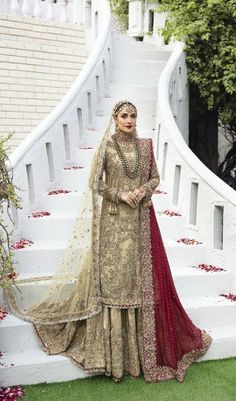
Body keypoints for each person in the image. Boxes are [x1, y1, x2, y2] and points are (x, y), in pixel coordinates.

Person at [7, 100, 212, 383]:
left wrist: (141, 190)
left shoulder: (145, 146)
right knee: (115, 282)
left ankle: (138, 358)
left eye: (133, 116)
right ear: (115, 119)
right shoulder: (107, 146)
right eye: (124, 116)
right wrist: (119, 195)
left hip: (140, 221)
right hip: (114, 222)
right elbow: (96, 184)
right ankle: (113, 360)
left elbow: (155, 178)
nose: (129, 120)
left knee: (137, 282)